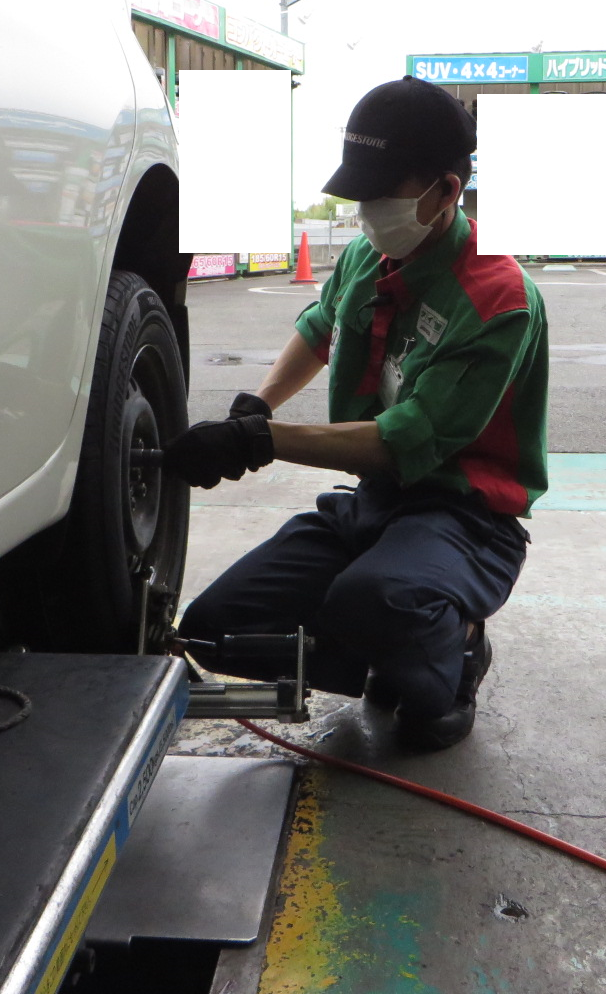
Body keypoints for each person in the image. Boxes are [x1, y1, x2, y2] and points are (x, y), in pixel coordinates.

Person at [164, 76, 549, 750]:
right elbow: (321, 328)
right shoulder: (369, 256)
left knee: (377, 603)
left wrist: (260, 440)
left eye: (382, 194)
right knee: (214, 628)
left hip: (466, 518)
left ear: (446, 192)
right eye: (360, 194)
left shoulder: (498, 298)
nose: (367, 212)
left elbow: (403, 442)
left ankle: (457, 649)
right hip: (376, 502)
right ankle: (387, 649)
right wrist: (258, 403)